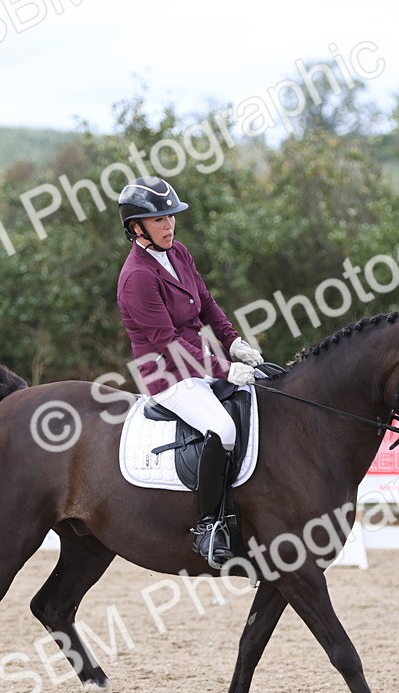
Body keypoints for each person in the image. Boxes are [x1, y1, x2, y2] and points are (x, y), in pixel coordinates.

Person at [115, 176, 265, 568]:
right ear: (136, 228)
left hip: (200, 362)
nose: (170, 225)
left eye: (171, 217)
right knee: (224, 429)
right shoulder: (136, 277)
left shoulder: (178, 252)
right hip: (167, 375)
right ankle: (209, 525)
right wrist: (225, 369)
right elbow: (168, 344)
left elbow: (207, 304)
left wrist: (233, 342)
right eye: (160, 219)